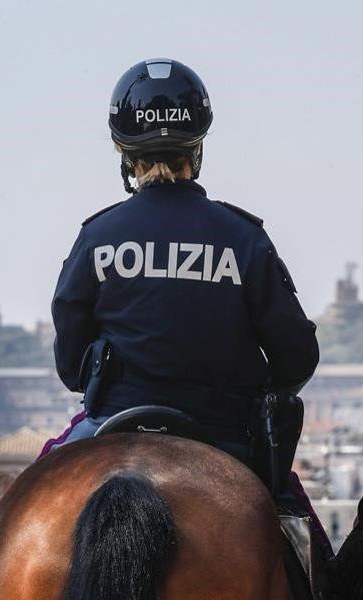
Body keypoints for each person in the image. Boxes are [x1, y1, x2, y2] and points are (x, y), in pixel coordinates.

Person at [46, 58, 319, 468]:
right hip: (224, 435)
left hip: (110, 423)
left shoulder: (96, 237)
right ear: (197, 145)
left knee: (27, 505)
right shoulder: (243, 237)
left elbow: (71, 367)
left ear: (124, 150)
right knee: (298, 527)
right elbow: (297, 355)